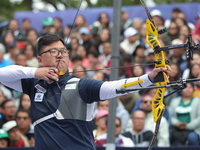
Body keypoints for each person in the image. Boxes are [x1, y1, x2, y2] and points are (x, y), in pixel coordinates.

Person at [0, 33, 168, 149]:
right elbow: (2, 74)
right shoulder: (33, 84)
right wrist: (34, 72)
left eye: (63, 51)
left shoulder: (81, 85)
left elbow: (115, 87)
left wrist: (149, 78)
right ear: (39, 59)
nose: (60, 55)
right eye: (53, 51)